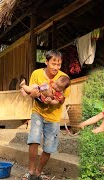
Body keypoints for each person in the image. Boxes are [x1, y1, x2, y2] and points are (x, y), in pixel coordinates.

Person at [22, 50, 70, 180]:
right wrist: (34, 94)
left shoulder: (64, 79)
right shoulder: (37, 74)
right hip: (38, 111)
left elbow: (62, 100)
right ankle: (31, 171)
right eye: (53, 63)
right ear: (46, 61)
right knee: (34, 139)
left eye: (58, 64)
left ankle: (38, 172)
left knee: (49, 147)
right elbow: (31, 93)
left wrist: (52, 101)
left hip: (54, 117)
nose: (55, 67)